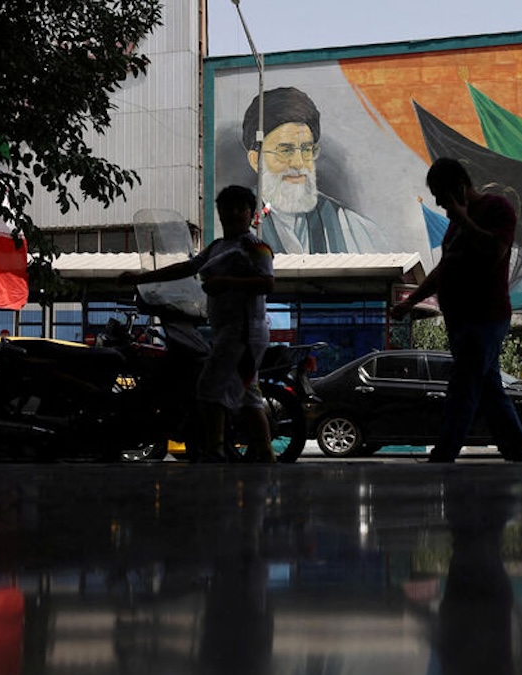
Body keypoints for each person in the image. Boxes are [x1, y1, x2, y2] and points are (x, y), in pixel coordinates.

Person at [391, 157, 522, 463]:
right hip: (460, 321)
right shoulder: (455, 226)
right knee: (488, 388)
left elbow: (496, 250)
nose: (440, 205)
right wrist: (410, 301)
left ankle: (445, 453)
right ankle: (521, 452)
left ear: (459, 188)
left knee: (464, 384)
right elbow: (443, 270)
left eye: (442, 197)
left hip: (485, 317)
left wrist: (464, 218)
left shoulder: (497, 209)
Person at [119, 185, 276, 462]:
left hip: (243, 331)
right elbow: (188, 268)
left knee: (209, 387)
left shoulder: (256, 248)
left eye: (241, 208)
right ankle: (264, 453)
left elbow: (267, 283)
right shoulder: (217, 247)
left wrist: (226, 283)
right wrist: (142, 278)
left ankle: (214, 450)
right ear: (220, 212)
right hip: (229, 330)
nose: (234, 213)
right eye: (228, 208)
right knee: (247, 395)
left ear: (251, 214)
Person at [240, 86, 388, 255]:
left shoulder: (353, 227)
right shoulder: (231, 227)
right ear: (255, 160)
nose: (298, 163)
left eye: (306, 149)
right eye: (285, 150)